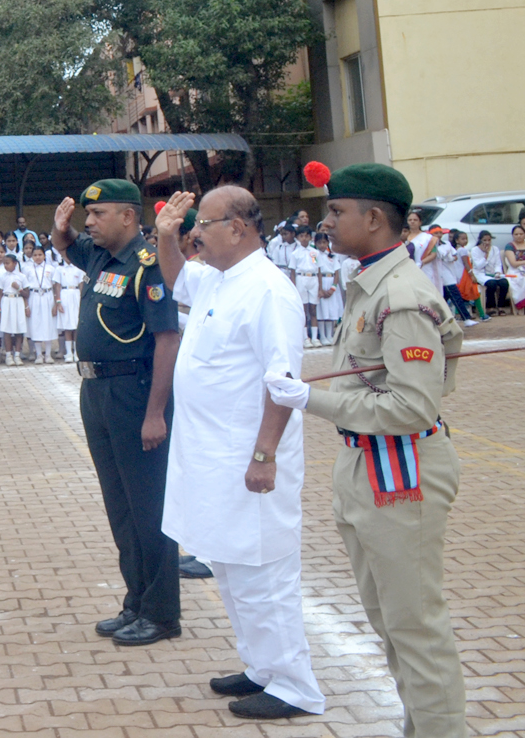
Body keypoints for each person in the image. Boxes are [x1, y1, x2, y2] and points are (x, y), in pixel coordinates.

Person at [265, 163, 466, 738]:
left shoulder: (399, 296)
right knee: (390, 621)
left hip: (400, 468)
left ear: (374, 219)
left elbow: (411, 407)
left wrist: (312, 399)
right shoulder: (370, 283)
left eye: (335, 212)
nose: (324, 223)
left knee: (415, 627)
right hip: (368, 462)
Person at [154, 190, 325, 720]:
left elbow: (282, 380)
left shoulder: (268, 290)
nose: (196, 233)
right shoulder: (220, 279)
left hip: (249, 460)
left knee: (264, 575)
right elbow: (176, 276)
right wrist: (164, 233)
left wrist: (264, 454)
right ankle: (261, 668)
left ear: (241, 227)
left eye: (204, 223)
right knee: (230, 569)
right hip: (212, 460)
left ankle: (295, 686)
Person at [50, 179, 181, 647]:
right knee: (121, 508)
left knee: (149, 508)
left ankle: (163, 612)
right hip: (98, 392)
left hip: (135, 391)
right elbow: (67, 246)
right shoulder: (102, 256)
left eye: (97, 214)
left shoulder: (147, 265)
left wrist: (156, 413)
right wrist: (59, 228)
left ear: (128, 216)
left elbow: (167, 339)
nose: (88, 223)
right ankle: (137, 602)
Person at [24, 247, 58, 364]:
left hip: (48, 296)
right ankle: (38, 354)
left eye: (40, 255)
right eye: (35, 255)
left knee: (48, 324)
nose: (38, 257)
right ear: (32, 256)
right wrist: (26, 305)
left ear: (44, 256)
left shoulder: (50, 269)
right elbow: (25, 288)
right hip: (34, 297)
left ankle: (48, 354)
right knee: (36, 325)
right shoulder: (27, 269)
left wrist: (55, 304)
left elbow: (55, 286)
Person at [288, 227, 321, 345]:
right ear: (297, 238)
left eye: (306, 236)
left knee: (313, 309)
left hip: (313, 278)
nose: (304, 238)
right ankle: (305, 337)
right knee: (303, 309)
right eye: (301, 236)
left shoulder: (314, 252)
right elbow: (292, 272)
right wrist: (294, 287)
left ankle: (315, 338)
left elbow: (319, 269)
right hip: (301, 278)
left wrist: (320, 288)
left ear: (310, 237)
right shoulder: (295, 253)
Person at [0, 253, 28, 365]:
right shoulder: (3, 276)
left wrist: (18, 288)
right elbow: (0, 294)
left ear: (15, 263)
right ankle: (9, 355)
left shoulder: (21, 276)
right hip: (6, 302)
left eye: (8, 263)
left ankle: (18, 354)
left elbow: (27, 294)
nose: (6, 265)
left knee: (19, 330)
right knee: (7, 330)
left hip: (18, 301)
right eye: (4, 263)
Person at [315, 235, 346, 346]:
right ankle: (322, 336)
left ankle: (330, 335)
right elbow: (316, 269)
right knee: (321, 311)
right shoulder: (314, 255)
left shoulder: (332, 256)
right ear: (315, 243)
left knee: (330, 311)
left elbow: (336, 273)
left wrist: (333, 288)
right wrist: (320, 289)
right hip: (321, 282)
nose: (322, 245)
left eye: (324, 242)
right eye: (319, 243)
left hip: (331, 282)